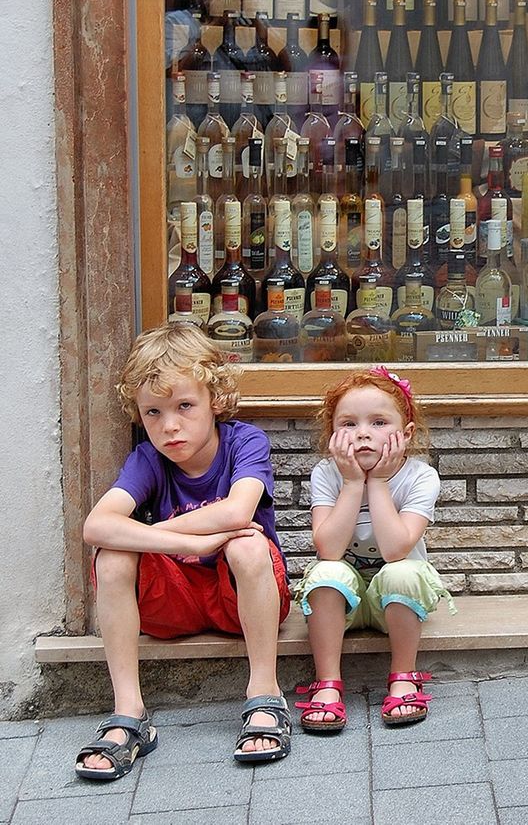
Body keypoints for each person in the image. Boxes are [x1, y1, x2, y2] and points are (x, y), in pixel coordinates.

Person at [74, 324, 292, 781]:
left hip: (241, 600)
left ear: (215, 399)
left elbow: (237, 511)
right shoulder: (147, 460)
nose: (169, 426)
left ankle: (265, 695)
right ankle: (130, 715)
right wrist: (188, 543)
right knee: (111, 555)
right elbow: (97, 526)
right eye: (152, 412)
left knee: (249, 545)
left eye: (184, 406)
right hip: (175, 604)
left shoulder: (244, 442)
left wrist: (155, 531)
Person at [292, 366, 455, 732]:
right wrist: (352, 484)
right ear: (333, 434)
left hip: (394, 604)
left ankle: (402, 676)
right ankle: (328, 684)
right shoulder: (327, 474)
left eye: (379, 422)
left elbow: (397, 549)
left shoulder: (420, 477)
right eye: (348, 424)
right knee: (324, 574)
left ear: (406, 434)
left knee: (403, 571)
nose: (363, 433)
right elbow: (329, 550)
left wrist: (378, 481)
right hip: (344, 606)